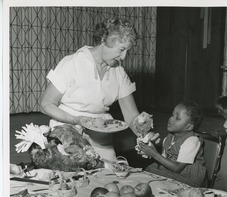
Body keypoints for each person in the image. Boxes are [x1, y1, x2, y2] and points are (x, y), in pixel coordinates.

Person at [40, 18, 158, 161]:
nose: (124, 57)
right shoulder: (73, 63)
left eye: (127, 51)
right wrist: (76, 119)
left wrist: (145, 135)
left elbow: (131, 116)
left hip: (101, 133)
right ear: (104, 40)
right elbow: (46, 105)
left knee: (108, 174)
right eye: (121, 49)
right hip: (66, 130)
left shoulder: (119, 72)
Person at [138, 101, 207, 188]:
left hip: (188, 176)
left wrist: (154, 154)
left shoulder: (192, 141)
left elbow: (177, 168)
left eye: (177, 118)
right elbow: (163, 159)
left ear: (189, 127)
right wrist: (151, 149)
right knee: (149, 171)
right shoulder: (169, 138)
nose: (171, 119)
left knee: (152, 174)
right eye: (172, 114)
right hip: (171, 170)